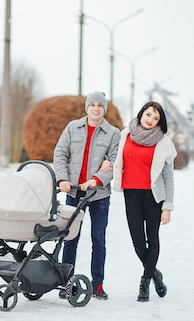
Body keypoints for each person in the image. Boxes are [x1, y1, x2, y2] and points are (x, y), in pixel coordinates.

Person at [53, 91, 121, 300]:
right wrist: (62, 180)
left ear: (104, 109)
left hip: (98, 194)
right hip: (73, 191)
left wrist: (96, 179)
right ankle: (66, 283)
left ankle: (97, 285)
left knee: (98, 240)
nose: (96, 109)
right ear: (87, 107)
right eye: (92, 105)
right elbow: (60, 153)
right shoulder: (73, 127)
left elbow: (115, 162)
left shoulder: (112, 133)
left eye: (99, 106)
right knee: (70, 238)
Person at [110, 101, 177, 302]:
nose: (151, 120)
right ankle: (155, 274)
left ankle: (145, 283)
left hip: (153, 197)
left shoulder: (163, 142)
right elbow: (114, 158)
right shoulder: (125, 135)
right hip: (131, 195)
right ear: (141, 114)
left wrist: (168, 207)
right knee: (138, 241)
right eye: (148, 115)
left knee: (152, 238)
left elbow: (168, 177)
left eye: (156, 118)